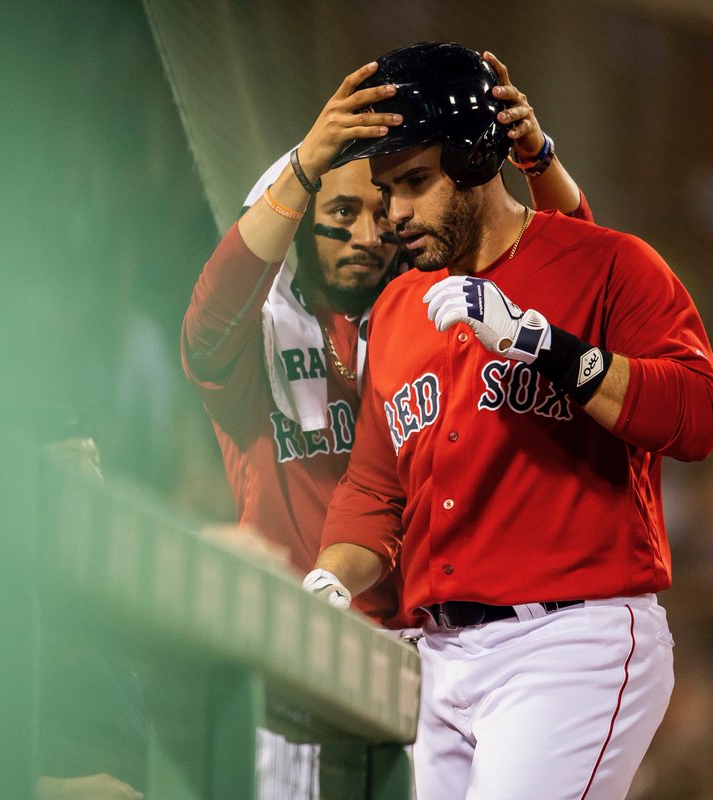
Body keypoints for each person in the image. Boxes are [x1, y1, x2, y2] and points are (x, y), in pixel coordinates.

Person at [301, 42, 713, 799]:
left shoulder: (607, 264)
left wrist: (547, 347)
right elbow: (374, 492)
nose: (394, 213)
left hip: (569, 644)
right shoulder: (398, 308)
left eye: (415, 183)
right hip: (433, 653)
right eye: (386, 188)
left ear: (473, 159)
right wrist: (330, 580)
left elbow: (697, 415)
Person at [182, 50, 591, 624]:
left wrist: (538, 159)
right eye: (343, 211)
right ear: (298, 217)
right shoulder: (254, 340)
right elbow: (214, 311)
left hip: (424, 644)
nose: (370, 236)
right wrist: (302, 169)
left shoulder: (429, 317)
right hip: (286, 632)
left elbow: (582, 282)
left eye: (384, 212)